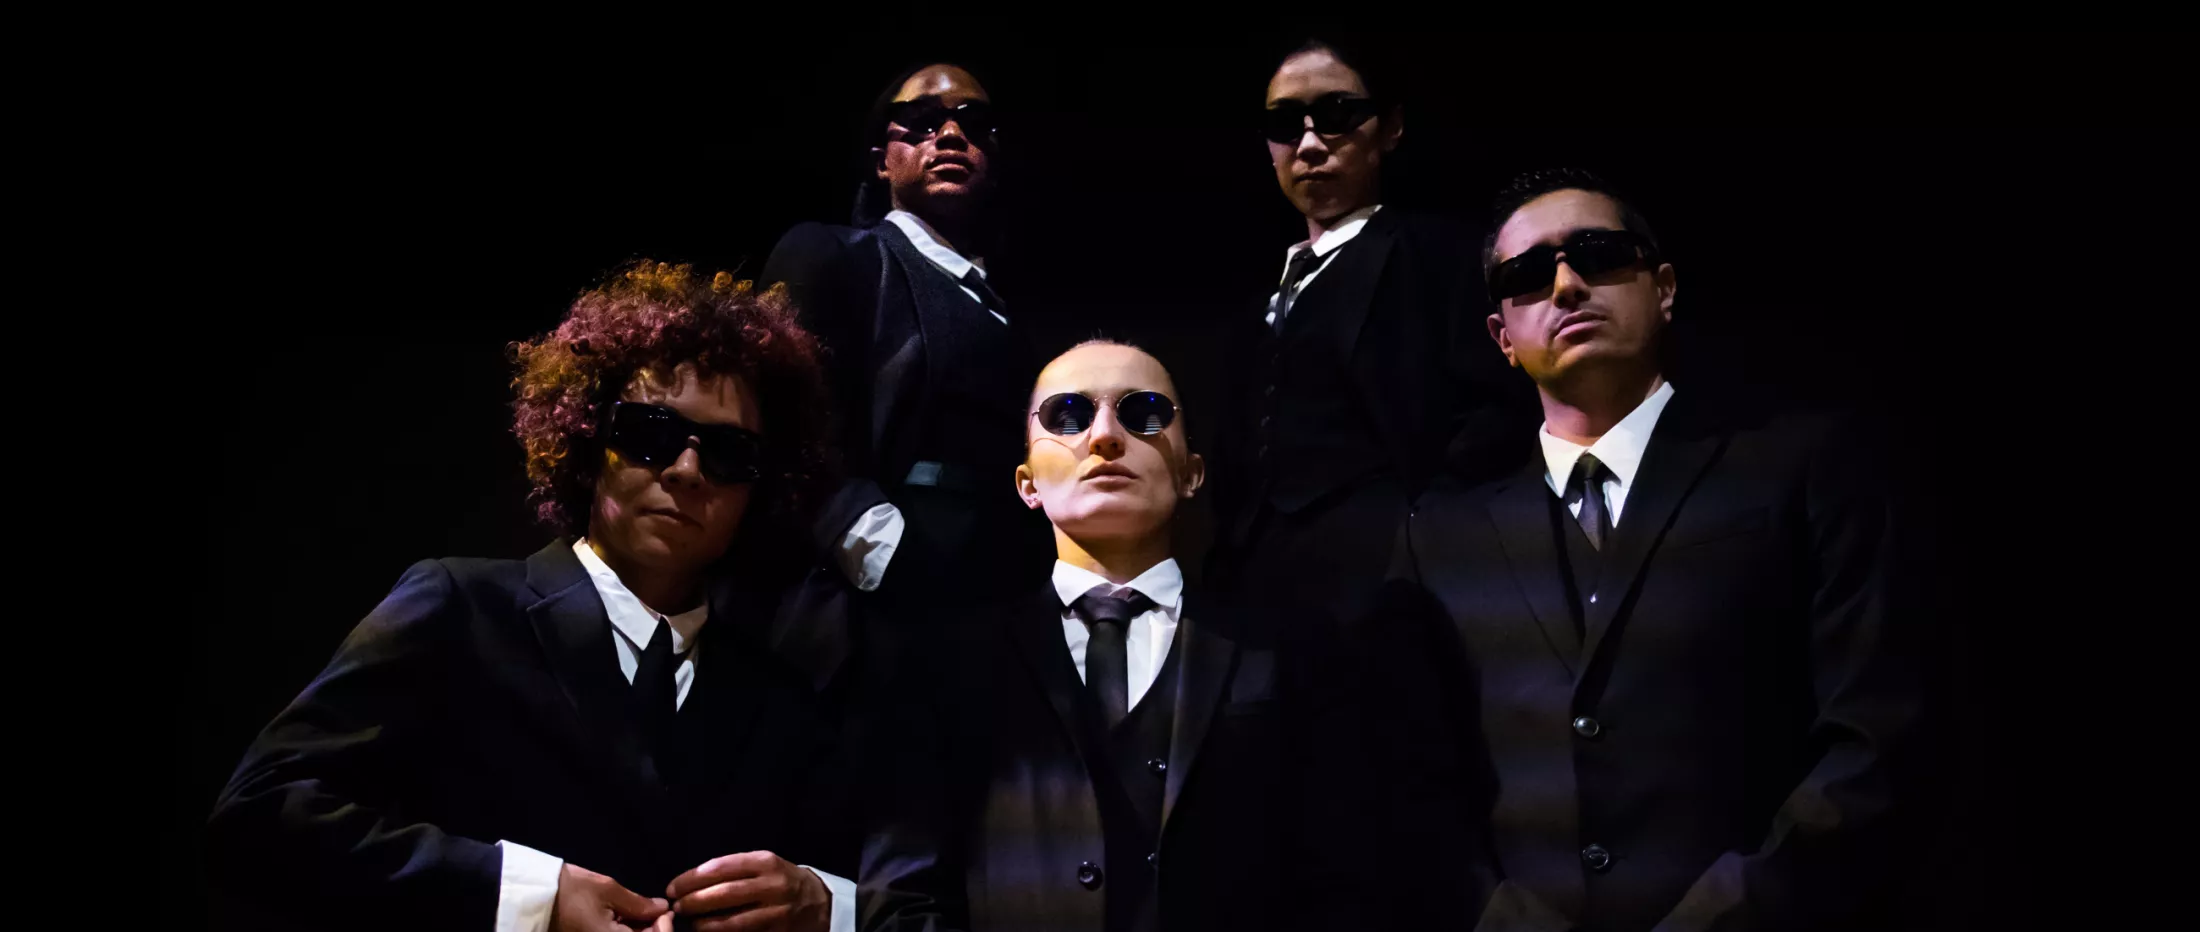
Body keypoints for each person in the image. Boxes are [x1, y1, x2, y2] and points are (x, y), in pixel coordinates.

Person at [206, 262, 859, 932]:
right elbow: (261, 808)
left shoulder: (781, 699)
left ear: (762, 485)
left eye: (729, 452)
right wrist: (529, 897)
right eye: (650, 433)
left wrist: (821, 904)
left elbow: (884, 891)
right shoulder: (460, 609)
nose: (688, 470)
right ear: (587, 439)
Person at [1376, 169, 1927, 930]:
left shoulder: (1799, 469)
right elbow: (1405, 781)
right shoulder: (1438, 538)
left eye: (1598, 254)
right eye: (1529, 275)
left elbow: (1875, 731)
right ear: (1502, 337)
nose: (1566, 285)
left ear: (1663, 288)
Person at [859, 341, 1290, 932]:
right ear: (1027, 483)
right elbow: (901, 899)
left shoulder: (1288, 654)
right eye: (1067, 415)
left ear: (1192, 472)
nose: (1105, 436)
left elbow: (1343, 880)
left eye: (1144, 414)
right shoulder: (945, 665)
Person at [1211, 37, 1529, 633]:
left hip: (1388, 589)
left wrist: (1421, 532)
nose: (1310, 144)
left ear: (1390, 129)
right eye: (1285, 124)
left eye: (1336, 114)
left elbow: (1496, 409)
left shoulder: (1442, 255)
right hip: (1255, 594)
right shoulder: (1256, 299)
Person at [761, 61, 1050, 611]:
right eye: (920, 121)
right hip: (876, 607)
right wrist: (880, 548)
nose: (950, 134)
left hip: (1009, 602)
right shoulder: (831, 256)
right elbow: (779, 417)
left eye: (973, 123)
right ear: (881, 162)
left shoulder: (1012, 313)